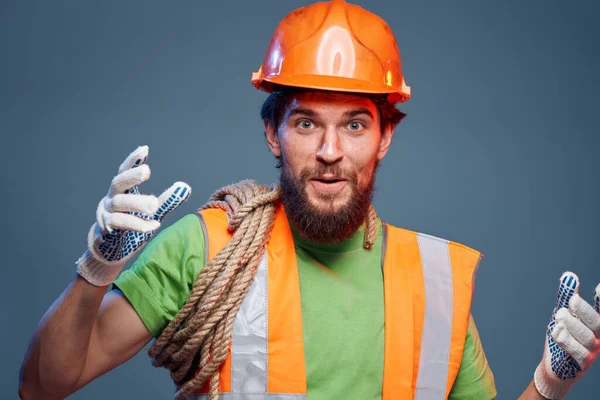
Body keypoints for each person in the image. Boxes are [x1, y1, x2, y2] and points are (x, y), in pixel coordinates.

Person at [18, 1, 600, 399]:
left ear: (385, 137)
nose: (328, 150)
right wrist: (97, 270)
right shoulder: (208, 248)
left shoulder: (434, 282)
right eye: (305, 124)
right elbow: (42, 388)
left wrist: (549, 385)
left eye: (353, 125)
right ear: (273, 132)